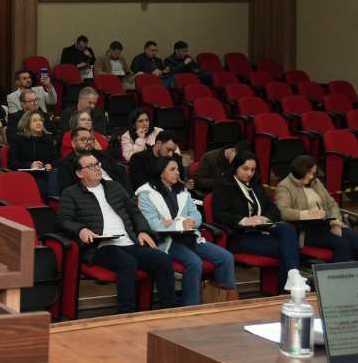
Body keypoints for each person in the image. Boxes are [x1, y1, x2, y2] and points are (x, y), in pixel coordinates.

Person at [59, 151, 177, 313]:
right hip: (100, 246)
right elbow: (63, 221)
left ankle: (168, 311)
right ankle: (126, 314)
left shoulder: (114, 186)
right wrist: (80, 229)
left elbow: (135, 212)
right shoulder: (71, 193)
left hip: (129, 241)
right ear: (80, 173)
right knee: (127, 263)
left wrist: (142, 231)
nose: (97, 168)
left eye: (97, 164)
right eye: (91, 166)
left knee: (162, 259)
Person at [137, 158, 237, 305]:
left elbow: (196, 215)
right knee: (194, 262)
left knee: (226, 257)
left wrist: (190, 222)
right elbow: (151, 223)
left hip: (189, 237)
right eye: (172, 169)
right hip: (166, 240)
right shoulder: (146, 194)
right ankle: (190, 306)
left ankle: (224, 304)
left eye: (178, 169)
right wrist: (178, 225)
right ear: (161, 173)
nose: (177, 172)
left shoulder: (182, 190)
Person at [211, 153, 300, 290]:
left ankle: (292, 279)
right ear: (235, 167)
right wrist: (244, 220)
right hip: (240, 234)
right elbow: (220, 214)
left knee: (287, 229)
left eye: (253, 170)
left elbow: (274, 210)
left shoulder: (256, 184)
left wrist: (265, 218)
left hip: (262, 229)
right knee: (286, 249)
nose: (249, 174)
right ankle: (290, 285)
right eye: (245, 169)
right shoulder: (223, 185)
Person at [274, 155, 358, 262]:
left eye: (314, 173)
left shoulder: (316, 182)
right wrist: (307, 214)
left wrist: (335, 223)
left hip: (327, 223)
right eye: (310, 173)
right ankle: (340, 273)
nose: (312, 176)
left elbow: (332, 205)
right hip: (307, 230)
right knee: (342, 245)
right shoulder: (285, 186)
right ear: (302, 171)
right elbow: (282, 211)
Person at [56, 128, 129, 194]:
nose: (88, 142)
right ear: (73, 143)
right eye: (83, 139)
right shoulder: (66, 164)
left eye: (90, 139)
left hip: (117, 192)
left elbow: (122, 174)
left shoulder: (102, 155)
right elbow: (67, 190)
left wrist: (128, 195)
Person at [10, 110, 58, 197]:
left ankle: (53, 200)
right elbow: (12, 163)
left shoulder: (48, 140)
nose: (39, 123)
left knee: (55, 173)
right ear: (27, 123)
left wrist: (51, 165)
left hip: (46, 174)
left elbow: (57, 159)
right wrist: (30, 165)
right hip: (27, 175)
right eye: (35, 120)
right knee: (43, 185)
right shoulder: (18, 140)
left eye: (40, 120)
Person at [127, 129, 184, 195]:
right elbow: (139, 185)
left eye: (173, 151)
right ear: (158, 144)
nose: (170, 154)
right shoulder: (139, 158)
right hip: (149, 196)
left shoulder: (176, 158)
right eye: (168, 150)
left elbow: (180, 181)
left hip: (175, 194)